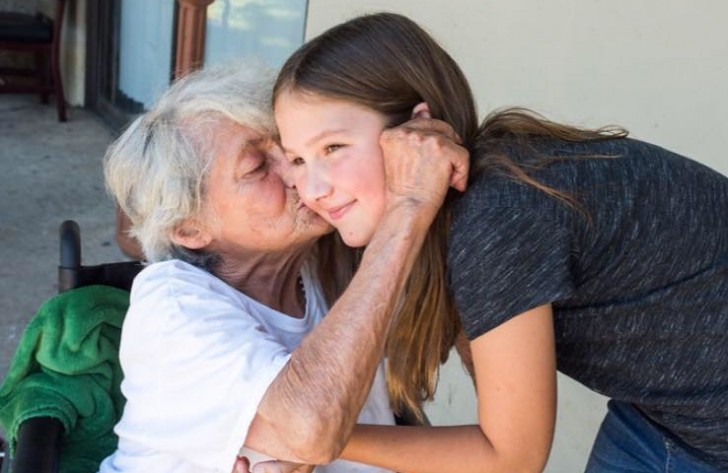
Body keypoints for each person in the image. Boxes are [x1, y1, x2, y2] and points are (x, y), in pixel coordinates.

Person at [272, 12, 728, 473]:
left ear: (416, 133)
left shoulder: (497, 216)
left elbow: (510, 458)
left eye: (333, 148)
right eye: (296, 159)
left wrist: (316, 437)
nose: (313, 189)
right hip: (666, 417)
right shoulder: (476, 201)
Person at [98, 62, 468, 473]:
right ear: (189, 228)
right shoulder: (170, 306)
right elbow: (311, 428)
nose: (297, 173)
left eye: (289, 152)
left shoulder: (323, 258)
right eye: (258, 168)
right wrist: (409, 205)